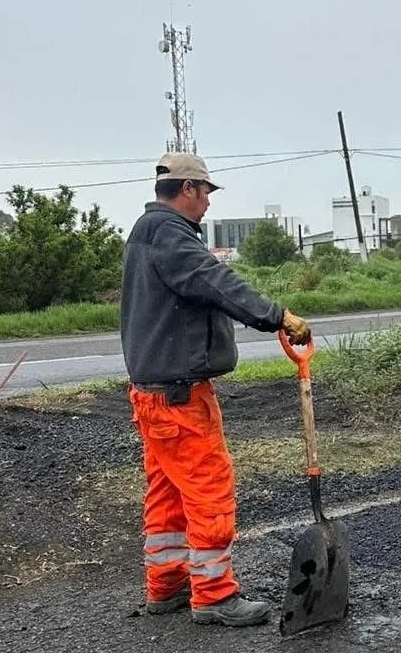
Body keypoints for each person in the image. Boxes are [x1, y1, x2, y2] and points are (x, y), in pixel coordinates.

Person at [120, 153, 312, 627]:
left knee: (167, 493)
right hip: (179, 397)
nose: (208, 201)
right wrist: (277, 316)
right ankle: (213, 594)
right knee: (208, 489)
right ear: (187, 188)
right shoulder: (170, 234)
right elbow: (216, 282)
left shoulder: (146, 232)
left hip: (153, 393)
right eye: (206, 191)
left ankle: (166, 585)